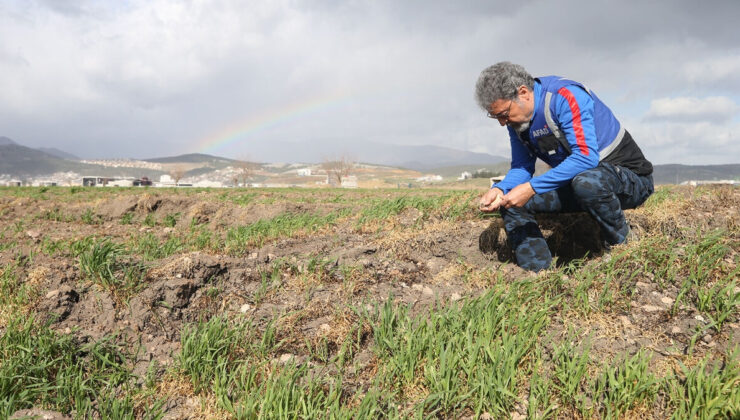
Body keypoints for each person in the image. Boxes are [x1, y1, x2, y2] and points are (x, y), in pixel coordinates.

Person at [475, 62, 654, 271]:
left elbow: (585, 158)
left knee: (586, 182)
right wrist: (501, 189)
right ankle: (538, 274)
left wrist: (531, 188)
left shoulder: (565, 96)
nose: (502, 123)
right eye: (496, 117)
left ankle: (623, 247)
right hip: (578, 185)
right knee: (512, 201)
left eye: (504, 114)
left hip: (629, 181)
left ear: (523, 93)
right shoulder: (518, 122)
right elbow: (522, 167)